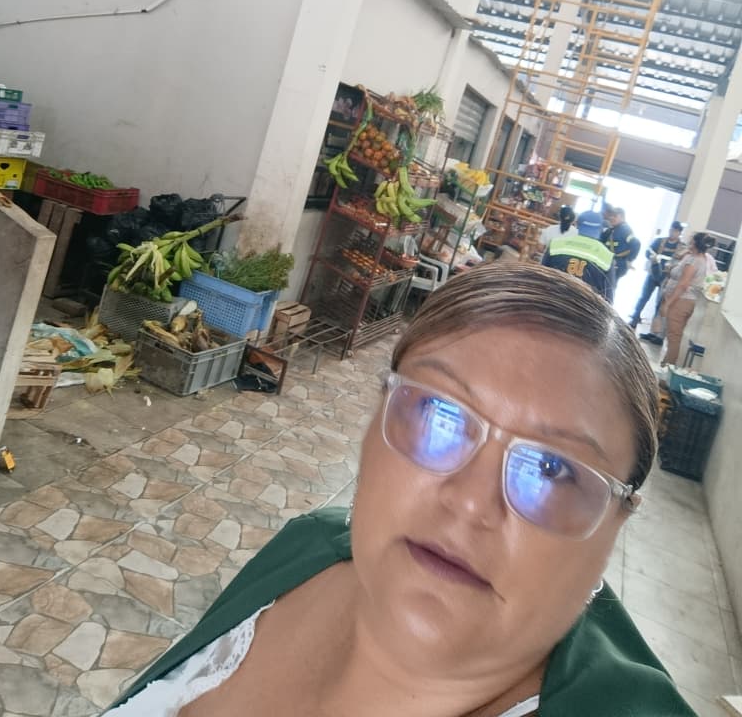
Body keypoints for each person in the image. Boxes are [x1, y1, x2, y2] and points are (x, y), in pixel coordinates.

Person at [106, 263, 693, 716]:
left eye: (551, 468)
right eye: (441, 414)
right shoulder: (309, 549)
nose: (470, 500)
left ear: (618, 522)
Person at [660, 231, 716, 368]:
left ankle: (668, 367)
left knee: (674, 336)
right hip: (686, 301)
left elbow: (683, 284)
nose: (689, 242)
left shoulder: (694, 261)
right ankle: (667, 363)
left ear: (695, 243)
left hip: (681, 300)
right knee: (674, 334)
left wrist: (668, 303)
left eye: (691, 240)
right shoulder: (700, 258)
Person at [542, 209, 616, 301]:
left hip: (551, 301)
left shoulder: (556, 244)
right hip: (582, 307)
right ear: (601, 229)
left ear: (577, 224)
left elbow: (541, 276)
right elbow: (609, 297)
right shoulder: (607, 257)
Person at [630, 221, 685, 338]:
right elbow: (648, 252)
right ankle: (634, 318)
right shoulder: (659, 241)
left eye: (675, 231)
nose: (672, 233)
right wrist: (652, 257)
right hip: (653, 273)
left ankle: (654, 331)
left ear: (679, 233)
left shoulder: (682, 247)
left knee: (659, 304)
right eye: (671, 230)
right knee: (644, 297)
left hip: (667, 278)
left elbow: (682, 262)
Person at [602, 206, 641, 297]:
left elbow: (636, 244)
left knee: (608, 288)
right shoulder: (612, 229)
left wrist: (629, 260)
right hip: (610, 261)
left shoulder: (625, 229)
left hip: (618, 264)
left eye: (615, 216)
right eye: (611, 216)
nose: (612, 218)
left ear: (622, 217)